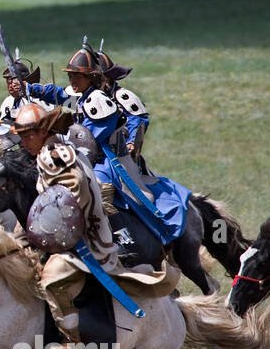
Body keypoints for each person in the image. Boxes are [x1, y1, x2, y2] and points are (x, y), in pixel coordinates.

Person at [12, 103, 177, 341]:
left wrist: (59, 226)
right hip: (78, 235)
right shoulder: (57, 149)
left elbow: (74, 186)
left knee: (50, 281)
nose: (24, 142)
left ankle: (73, 336)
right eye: (21, 136)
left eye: (28, 135)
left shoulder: (52, 155)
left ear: (43, 132)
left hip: (85, 242)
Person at [25, 41, 190, 248]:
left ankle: (122, 238)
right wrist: (30, 88)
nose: (72, 80)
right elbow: (61, 95)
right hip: (85, 157)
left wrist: (131, 143)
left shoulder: (101, 101)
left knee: (101, 195)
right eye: (70, 76)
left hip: (106, 161)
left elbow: (91, 138)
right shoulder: (83, 98)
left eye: (77, 76)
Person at [0, 55, 44, 125]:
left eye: (13, 81)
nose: (10, 85)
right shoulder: (8, 101)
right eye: (8, 81)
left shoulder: (39, 99)